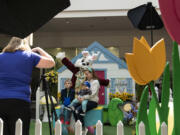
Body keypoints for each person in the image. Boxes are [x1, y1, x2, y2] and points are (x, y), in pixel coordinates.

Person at [0, 37, 55, 135]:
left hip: (1, 100)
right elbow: (51, 63)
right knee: (20, 131)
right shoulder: (30, 56)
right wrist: (38, 49)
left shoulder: (1, 56)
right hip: (20, 101)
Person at [72, 67, 100, 135]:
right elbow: (82, 91)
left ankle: (83, 128)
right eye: (85, 74)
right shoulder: (87, 82)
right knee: (73, 107)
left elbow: (92, 94)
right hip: (84, 100)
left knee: (78, 110)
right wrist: (79, 97)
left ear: (92, 73)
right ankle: (78, 125)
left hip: (92, 101)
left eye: (87, 74)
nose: (86, 75)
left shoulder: (95, 82)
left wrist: (83, 98)